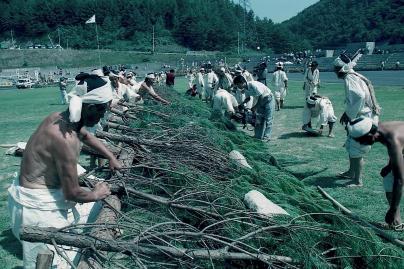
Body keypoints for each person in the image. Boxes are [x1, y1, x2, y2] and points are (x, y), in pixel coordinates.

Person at [7, 73, 122, 269]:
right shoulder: (65, 139)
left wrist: (110, 156)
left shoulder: (60, 118)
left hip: (37, 198)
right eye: (102, 111)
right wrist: (97, 193)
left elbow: (84, 135)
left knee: (89, 218)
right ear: (91, 107)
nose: (103, 115)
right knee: (56, 263)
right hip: (37, 211)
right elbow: (72, 193)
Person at [347, 117, 404, 229]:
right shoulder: (380, 128)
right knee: (388, 178)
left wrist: (392, 210)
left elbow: (400, 180)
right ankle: (397, 223)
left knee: (394, 181)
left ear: (369, 136)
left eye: (360, 141)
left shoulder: (392, 139)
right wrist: (389, 166)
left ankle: (395, 218)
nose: (360, 144)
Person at [334, 53, 381, 187]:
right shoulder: (354, 76)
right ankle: (351, 172)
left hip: (363, 119)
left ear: (341, 69)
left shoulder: (350, 78)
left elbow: (359, 96)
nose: (334, 71)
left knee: (356, 150)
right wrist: (347, 113)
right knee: (350, 146)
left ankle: (357, 180)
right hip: (362, 116)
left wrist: (350, 115)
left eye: (335, 69)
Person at [234, 76, 275, 141]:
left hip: (268, 99)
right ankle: (258, 136)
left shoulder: (253, 84)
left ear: (242, 82)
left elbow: (261, 96)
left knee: (268, 119)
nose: (237, 86)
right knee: (258, 119)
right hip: (260, 101)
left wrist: (255, 107)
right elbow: (248, 98)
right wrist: (241, 104)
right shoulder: (245, 89)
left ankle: (267, 137)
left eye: (237, 84)